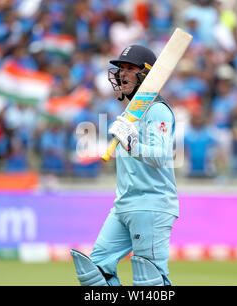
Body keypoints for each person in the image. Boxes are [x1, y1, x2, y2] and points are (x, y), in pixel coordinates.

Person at [70, 45, 179, 286]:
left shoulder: (158, 110)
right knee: (96, 273)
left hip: (151, 203)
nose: (122, 74)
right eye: (120, 69)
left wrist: (131, 145)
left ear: (147, 74)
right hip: (123, 204)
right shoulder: (130, 111)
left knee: (149, 279)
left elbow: (161, 156)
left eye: (130, 69)